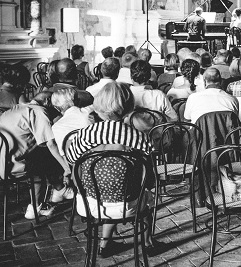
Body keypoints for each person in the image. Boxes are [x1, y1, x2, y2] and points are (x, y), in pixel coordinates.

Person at [65, 82, 154, 256]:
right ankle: (148, 244)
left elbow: (71, 161)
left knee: (105, 189)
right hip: (126, 204)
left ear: (98, 106)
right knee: (142, 195)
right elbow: (149, 175)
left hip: (89, 203)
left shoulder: (85, 134)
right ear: (129, 107)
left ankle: (105, 245)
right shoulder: (137, 137)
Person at [0, 91, 74, 219]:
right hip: (11, 166)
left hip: (3, 159)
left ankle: (60, 190)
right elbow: (51, 144)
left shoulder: (18, 108)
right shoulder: (39, 112)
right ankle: (36, 207)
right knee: (45, 158)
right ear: (47, 102)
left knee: (42, 152)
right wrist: (67, 168)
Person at [129, 60, 177, 130]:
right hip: (156, 137)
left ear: (131, 76)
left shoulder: (125, 94)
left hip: (131, 135)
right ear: (149, 76)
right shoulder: (159, 95)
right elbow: (174, 118)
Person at [51, 88, 94, 156]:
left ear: (57, 108)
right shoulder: (92, 110)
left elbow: (64, 154)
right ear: (77, 101)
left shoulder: (56, 127)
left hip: (80, 162)